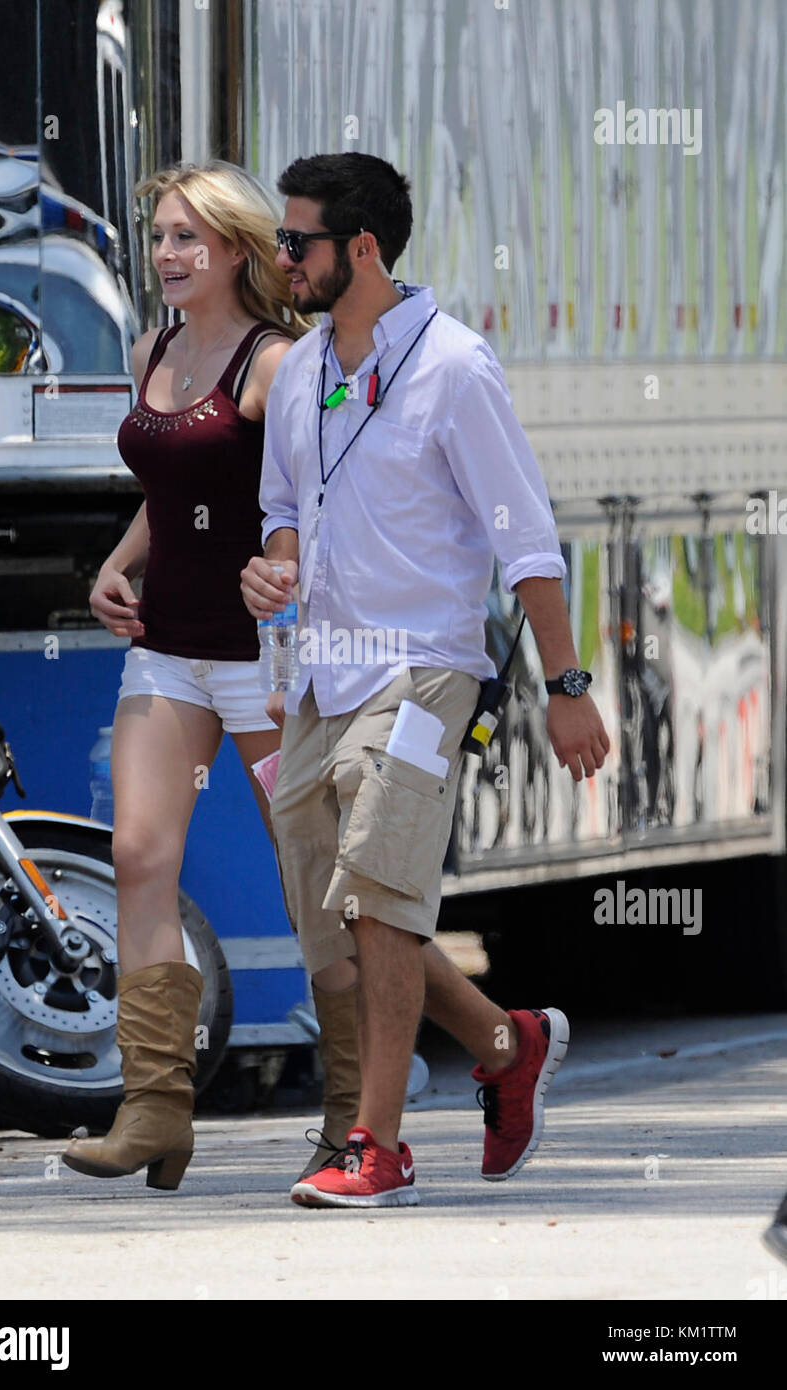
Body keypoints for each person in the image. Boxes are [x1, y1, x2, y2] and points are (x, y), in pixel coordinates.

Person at [242, 152, 610, 1208]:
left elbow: (524, 539)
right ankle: (507, 1041)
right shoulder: (303, 368)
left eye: (297, 241)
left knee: (383, 894)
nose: (281, 258)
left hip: (424, 670)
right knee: (343, 921)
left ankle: (379, 1144)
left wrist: (565, 681)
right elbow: (282, 505)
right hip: (321, 678)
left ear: (360, 248)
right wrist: (274, 571)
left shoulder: (454, 366)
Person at [63, 161, 310, 1189]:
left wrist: (287, 568)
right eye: (159, 235)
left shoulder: (276, 362)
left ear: (237, 251)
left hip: (260, 663)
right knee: (135, 854)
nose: (166, 253)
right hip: (167, 648)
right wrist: (119, 564)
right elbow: (168, 490)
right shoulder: (152, 347)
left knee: (316, 876)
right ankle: (155, 1107)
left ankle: (362, 1110)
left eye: (187, 238)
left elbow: (325, 494)